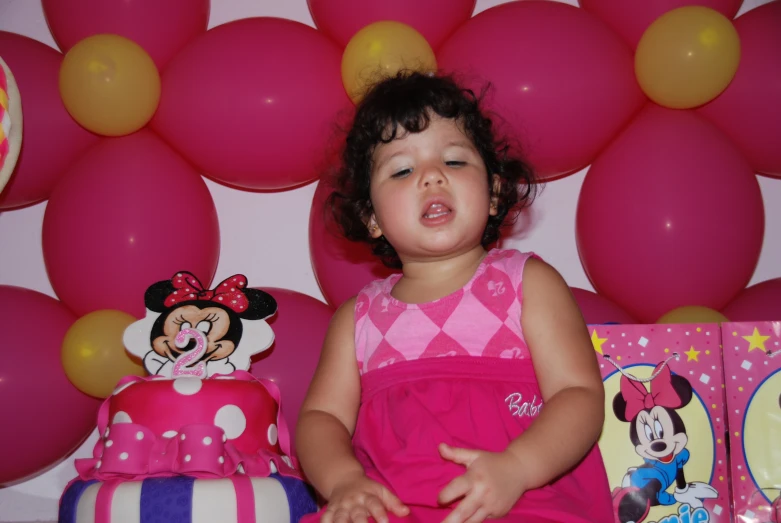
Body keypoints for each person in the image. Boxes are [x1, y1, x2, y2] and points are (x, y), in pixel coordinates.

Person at [296, 71, 612, 523]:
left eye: (455, 161)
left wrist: (519, 468)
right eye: (402, 170)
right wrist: (344, 481)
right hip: (395, 508)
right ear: (371, 217)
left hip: (523, 499)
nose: (431, 176)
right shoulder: (359, 317)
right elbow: (320, 419)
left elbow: (578, 394)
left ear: (495, 191)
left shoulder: (527, 283)